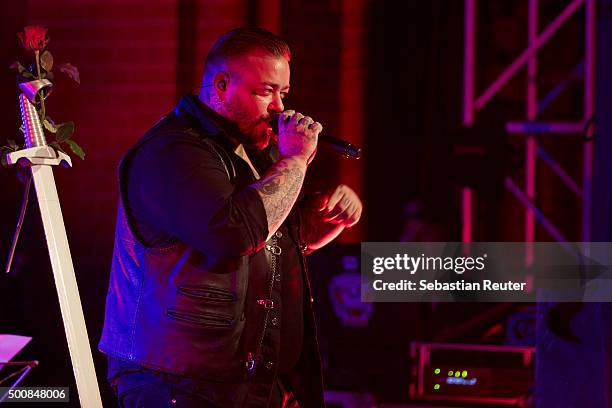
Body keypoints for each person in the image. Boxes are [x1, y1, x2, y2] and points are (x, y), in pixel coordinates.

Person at [98, 27, 362, 407]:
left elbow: (275, 238)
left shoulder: (252, 150)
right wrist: (294, 160)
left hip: (252, 381)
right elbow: (233, 233)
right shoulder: (173, 152)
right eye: (265, 91)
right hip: (178, 382)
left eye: (283, 93)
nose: (279, 108)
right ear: (221, 86)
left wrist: (320, 222)